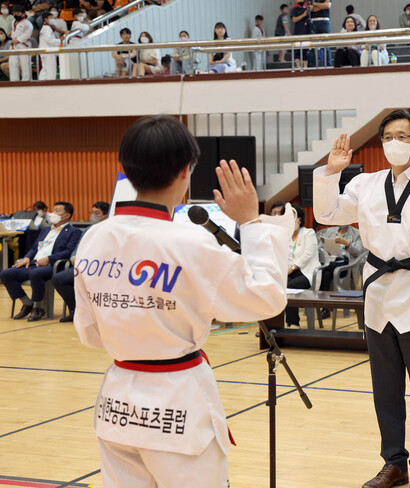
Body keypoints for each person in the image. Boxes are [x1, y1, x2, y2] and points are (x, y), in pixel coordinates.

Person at [73, 115, 293, 487]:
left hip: (117, 402)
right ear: (185, 172)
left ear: (124, 168)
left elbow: (90, 334)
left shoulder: (94, 237)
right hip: (177, 402)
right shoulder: (190, 243)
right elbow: (266, 299)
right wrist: (251, 224)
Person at [314, 109, 410, 488]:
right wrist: (332, 172)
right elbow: (327, 213)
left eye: (402, 136)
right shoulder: (365, 184)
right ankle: (393, 463)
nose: (394, 143)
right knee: (385, 390)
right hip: (379, 294)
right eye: (387, 137)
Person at [1, 201, 81, 322]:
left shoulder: (74, 232)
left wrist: (49, 259)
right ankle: (28, 303)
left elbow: (68, 251)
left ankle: (38, 308)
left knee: (36, 274)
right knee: (6, 274)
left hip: (54, 265)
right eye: (53, 210)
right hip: (35, 263)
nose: (53, 213)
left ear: (67, 215)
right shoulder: (45, 230)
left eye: (58, 211)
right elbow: (34, 248)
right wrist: (27, 258)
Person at [52, 200, 109, 322]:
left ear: (106, 215)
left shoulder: (110, 231)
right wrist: (74, 256)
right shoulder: (88, 229)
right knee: (59, 279)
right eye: (91, 212)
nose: (92, 215)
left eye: (97, 213)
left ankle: (95, 313)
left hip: (101, 268)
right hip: (83, 267)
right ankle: (76, 310)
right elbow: (78, 247)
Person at [284, 203, 317, 328]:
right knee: (274, 284)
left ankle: (293, 323)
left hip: (307, 272)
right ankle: (270, 325)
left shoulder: (308, 233)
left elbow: (308, 255)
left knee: (290, 286)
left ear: (299, 219)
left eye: (292, 217)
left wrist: (292, 268)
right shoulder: (286, 236)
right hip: (290, 271)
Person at [316, 222, 364, 292]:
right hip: (331, 260)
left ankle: (321, 297)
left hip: (347, 263)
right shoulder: (330, 231)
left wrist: (347, 244)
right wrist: (326, 251)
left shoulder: (357, 233)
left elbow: (359, 253)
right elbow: (319, 248)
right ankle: (324, 299)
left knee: (323, 267)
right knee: (326, 274)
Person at [308, 0, 332, 67]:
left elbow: (327, 6)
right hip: (314, 22)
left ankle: (328, 66)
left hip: (324, 22)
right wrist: (321, 5)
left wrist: (315, 5)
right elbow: (309, 9)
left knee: (326, 45)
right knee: (313, 45)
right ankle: (312, 66)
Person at [8, 4, 32, 82]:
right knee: (12, 62)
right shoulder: (13, 22)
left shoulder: (27, 23)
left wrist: (18, 39)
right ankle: (14, 80)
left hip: (24, 44)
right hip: (14, 45)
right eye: (14, 13)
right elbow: (13, 32)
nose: (15, 15)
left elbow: (28, 34)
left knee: (25, 63)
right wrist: (13, 40)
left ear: (22, 13)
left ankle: (27, 80)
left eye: (17, 13)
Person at [37, 11, 59, 80]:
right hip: (49, 51)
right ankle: (50, 83)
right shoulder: (47, 28)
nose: (52, 19)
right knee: (50, 69)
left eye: (52, 17)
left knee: (45, 69)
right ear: (45, 19)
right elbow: (49, 40)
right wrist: (60, 40)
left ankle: (42, 82)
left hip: (45, 51)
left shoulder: (45, 28)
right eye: (50, 18)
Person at [291, 0, 309, 69]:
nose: (300, 0)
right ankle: (298, 66)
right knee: (297, 50)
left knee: (305, 50)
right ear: (296, 0)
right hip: (297, 32)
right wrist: (303, 15)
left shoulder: (307, 9)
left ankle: (305, 66)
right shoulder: (295, 9)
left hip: (306, 32)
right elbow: (294, 19)